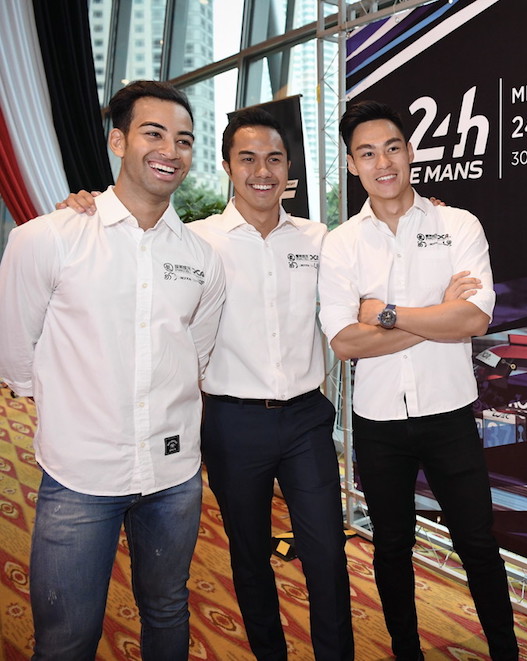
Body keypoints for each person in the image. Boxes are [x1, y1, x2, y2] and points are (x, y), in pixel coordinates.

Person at [59, 107, 354, 659]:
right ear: (226, 166)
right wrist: (82, 205)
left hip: (305, 420)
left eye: (273, 158)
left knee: (327, 554)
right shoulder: (195, 242)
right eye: (247, 159)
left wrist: (414, 210)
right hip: (230, 423)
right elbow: (129, 248)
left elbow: (369, 258)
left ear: (289, 167)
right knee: (248, 555)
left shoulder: (321, 239)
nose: (261, 170)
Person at [0, 81, 226, 660]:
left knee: (168, 611)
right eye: (154, 133)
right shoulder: (46, 239)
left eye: (184, 140)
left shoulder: (201, 258)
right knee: (67, 638)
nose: (170, 150)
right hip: (80, 477)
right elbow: (14, 351)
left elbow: (194, 355)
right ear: (118, 141)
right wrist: (68, 409)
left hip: (174, 475)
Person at [317, 99, 518, 660]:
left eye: (393, 147)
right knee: (391, 550)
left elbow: (475, 318)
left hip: (450, 415)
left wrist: (385, 312)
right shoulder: (341, 244)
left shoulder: (457, 223)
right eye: (367, 153)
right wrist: (436, 315)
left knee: (478, 544)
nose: (383, 162)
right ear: (353, 165)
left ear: (410, 152)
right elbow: (344, 342)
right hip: (378, 423)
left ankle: (506, 652)